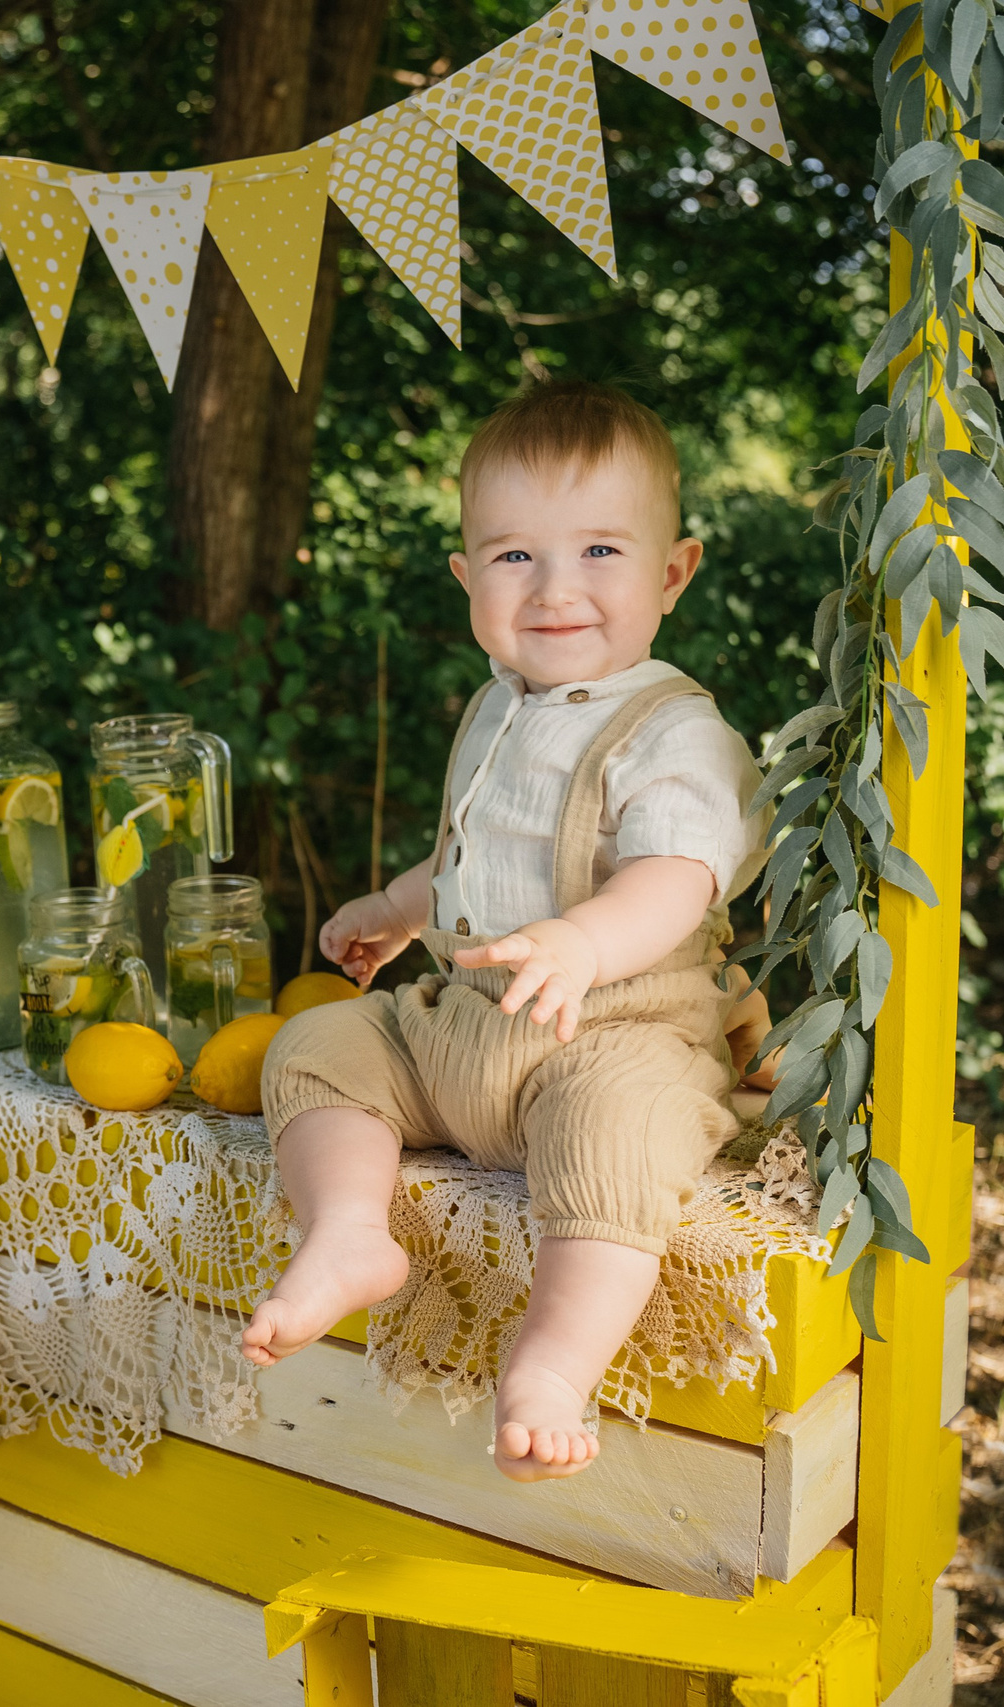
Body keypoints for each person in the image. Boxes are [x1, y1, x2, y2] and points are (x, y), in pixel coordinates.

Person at [246, 379, 774, 1483]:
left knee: (617, 1143)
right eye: (514, 557)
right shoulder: (499, 704)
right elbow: (471, 853)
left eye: (597, 552)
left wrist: (582, 942)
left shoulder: (674, 730)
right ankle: (347, 1230)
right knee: (317, 1049)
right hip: (467, 1026)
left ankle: (551, 1365)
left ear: (671, 574)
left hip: (612, 1032)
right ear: (467, 579)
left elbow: (676, 877)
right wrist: (397, 913)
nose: (554, 590)